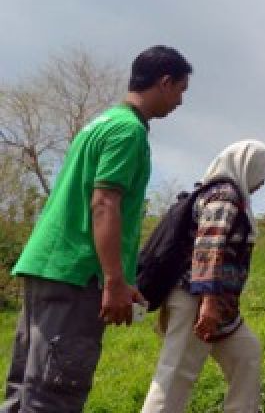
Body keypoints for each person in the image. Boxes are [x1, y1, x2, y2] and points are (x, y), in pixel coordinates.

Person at [3, 46, 192, 413]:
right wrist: (114, 280)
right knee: (55, 392)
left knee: (25, 389)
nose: (180, 101)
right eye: (181, 90)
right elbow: (104, 202)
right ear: (164, 82)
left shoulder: (100, 123)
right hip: (77, 271)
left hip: (47, 264)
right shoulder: (128, 131)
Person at [140, 140, 265, 413]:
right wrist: (209, 302)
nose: (262, 183)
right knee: (177, 374)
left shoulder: (231, 197)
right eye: (261, 173)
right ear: (246, 167)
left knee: (246, 355)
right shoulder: (224, 196)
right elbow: (208, 247)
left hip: (219, 307)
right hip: (198, 300)